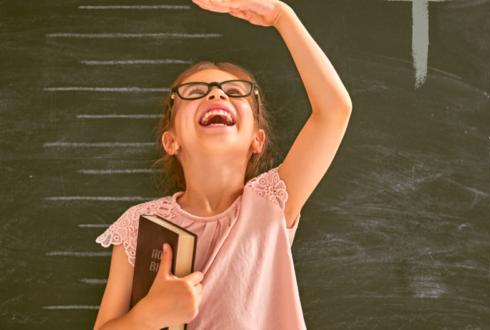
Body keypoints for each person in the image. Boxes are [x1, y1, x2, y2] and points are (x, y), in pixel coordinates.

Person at [93, 0, 352, 329]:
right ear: (171, 140)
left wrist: (281, 17)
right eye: (195, 91)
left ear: (256, 141)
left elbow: (334, 111)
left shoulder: (271, 204)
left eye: (233, 91)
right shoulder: (141, 225)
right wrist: (149, 315)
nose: (216, 95)